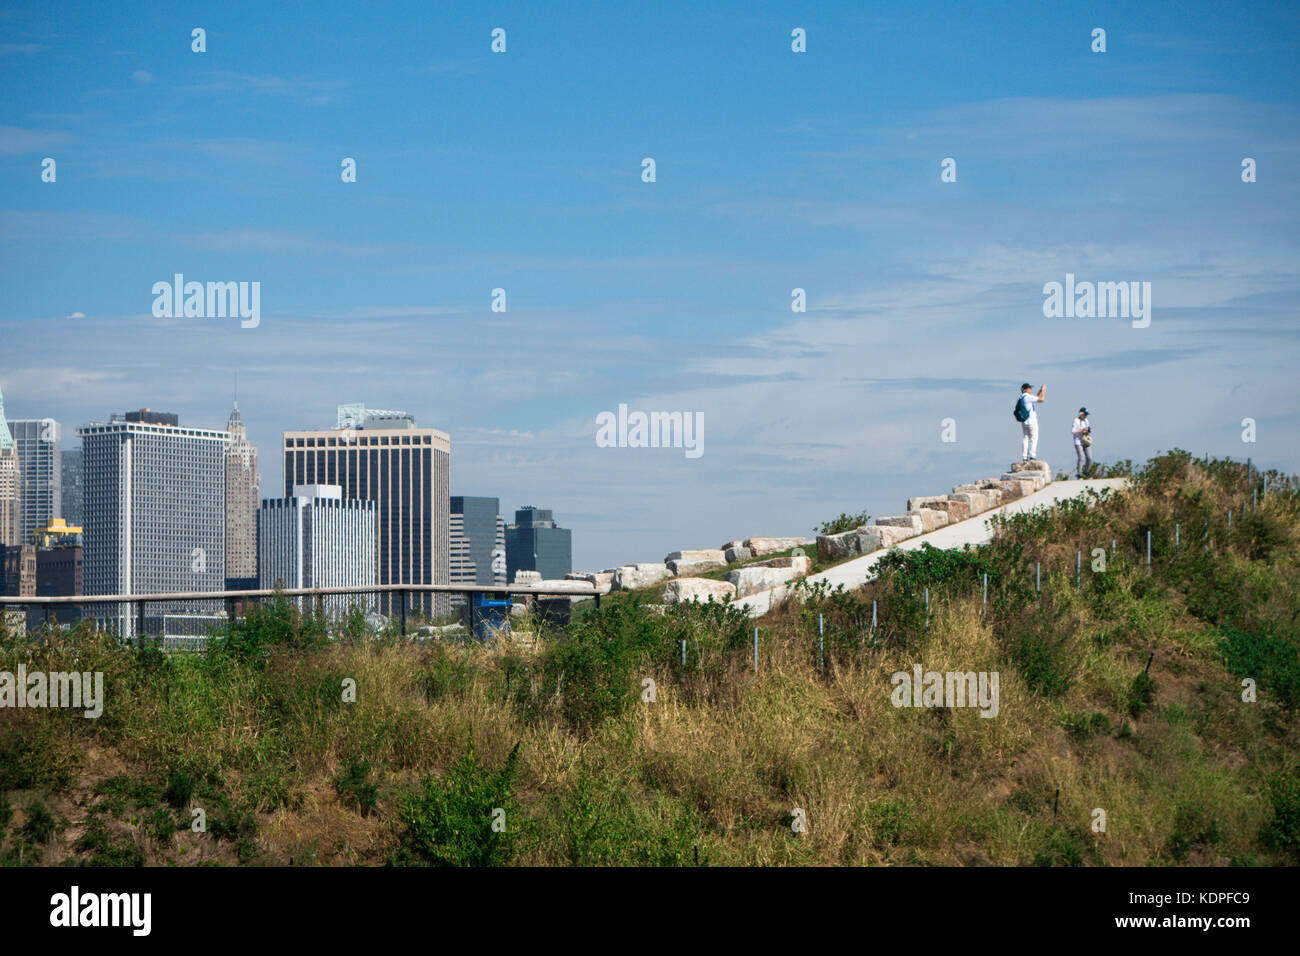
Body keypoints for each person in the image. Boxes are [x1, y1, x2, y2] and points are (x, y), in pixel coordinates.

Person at [1016, 383, 1045, 461]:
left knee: (1025, 438)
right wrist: (1043, 391)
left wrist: (1039, 392)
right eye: (1029, 388)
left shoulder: (1021, 397)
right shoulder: (1028, 397)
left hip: (1024, 421)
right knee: (1034, 438)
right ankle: (1032, 456)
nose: (1030, 389)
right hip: (1032, 421)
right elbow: (1041, 400)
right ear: (1025, 389)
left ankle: (1024, 457)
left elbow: (1035, 398)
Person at [1072, 407, 1093, 478]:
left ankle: (1086, 471)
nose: (1085, 416)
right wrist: (1082, 430)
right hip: (1078, 441)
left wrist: (1087, 431)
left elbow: (1088, 429)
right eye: (1084, 414)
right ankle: (1079, 474)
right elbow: (1074, 432)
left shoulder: (1086, 421)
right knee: (1081, 458)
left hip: (1085, 441)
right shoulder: (1076, 421)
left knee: (1089, 458)